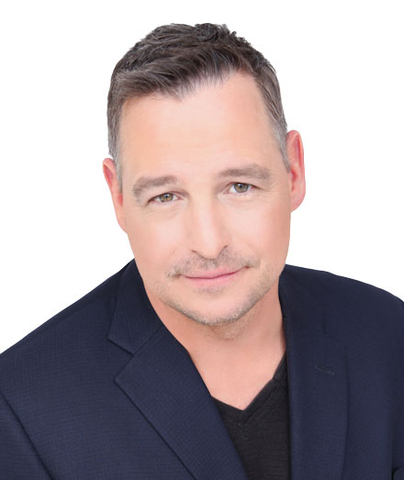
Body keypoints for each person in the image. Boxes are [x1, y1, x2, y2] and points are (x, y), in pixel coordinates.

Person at [0, 23, 403, 480]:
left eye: (239, 186)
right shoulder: (20, 409)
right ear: (118, 198)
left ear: (293, 171)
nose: (209, 244)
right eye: (166, 196)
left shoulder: (389, 336)